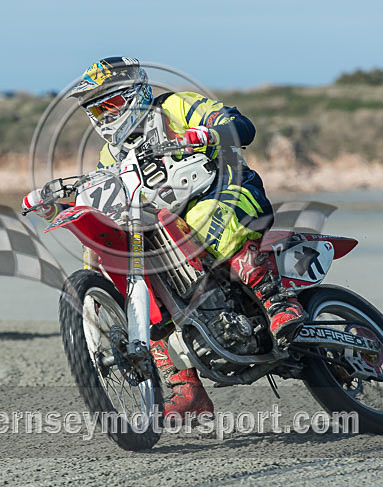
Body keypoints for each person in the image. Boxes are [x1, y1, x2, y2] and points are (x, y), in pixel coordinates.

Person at [23, 57, 307, 419]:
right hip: (161, 220)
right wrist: (61, 202)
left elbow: (239, 124)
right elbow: (110, 195)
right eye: (96, 109)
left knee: (206, 218)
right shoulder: (111, 153)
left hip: (225, 189)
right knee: (131, 272)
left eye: (109, 104)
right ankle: (184, 386)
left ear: (135, 94)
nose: (104, 116)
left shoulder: (176, 106)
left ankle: (278, 303)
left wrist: (208, 133)